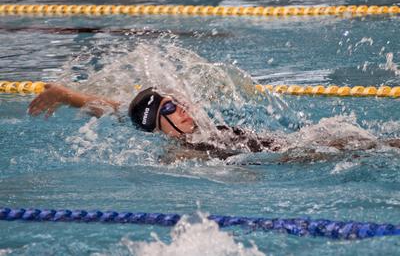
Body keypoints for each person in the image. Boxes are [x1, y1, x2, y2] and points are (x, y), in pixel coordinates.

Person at [28, 83, 400, 162]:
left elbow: (119, 108)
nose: (182, 110)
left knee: (364, 140)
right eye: (170, 111)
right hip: (291, 156)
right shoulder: (180, 154)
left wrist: (63, 95)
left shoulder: (194, 127)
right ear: (160, 126)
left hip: (290, 141)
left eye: (179, 103)